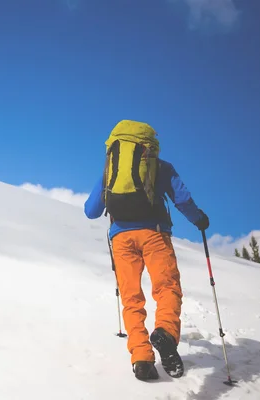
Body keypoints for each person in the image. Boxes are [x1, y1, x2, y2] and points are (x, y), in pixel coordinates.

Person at [84, 120, 209, 381]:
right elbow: (182, 199)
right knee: (167, 288)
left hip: (121, 238)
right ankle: (165, 332)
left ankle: (141, 358)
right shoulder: (161, 167)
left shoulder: (111, 172)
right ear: (150, 146)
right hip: (154, 234)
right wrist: (199, 219)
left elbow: (91, 210)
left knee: (131, 298)